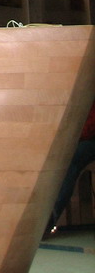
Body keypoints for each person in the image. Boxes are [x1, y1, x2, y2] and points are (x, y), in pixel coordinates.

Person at [44, 99, 95, 237]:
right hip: (77, 138)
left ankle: (50, 218)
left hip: (88, 140)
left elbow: (88, 128)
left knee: (70, 159)